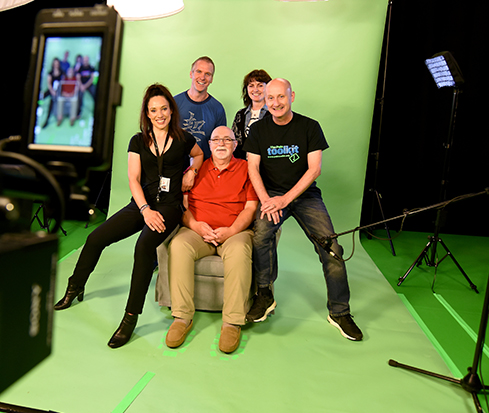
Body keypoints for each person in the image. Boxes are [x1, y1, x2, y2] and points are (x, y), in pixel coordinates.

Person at [54, 83, 204, 349]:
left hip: (169, 207)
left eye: (164, 109)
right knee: (96, 237)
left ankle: (130, 317)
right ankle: (74, 287)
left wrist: (192, 170)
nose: (159, 114)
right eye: (153, 110)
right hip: (141, 204)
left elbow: (199, 154)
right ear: (147, 113)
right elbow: (133, 179)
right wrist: (145, 210)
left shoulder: (183, 138)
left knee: (144, 245)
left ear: (171, 110)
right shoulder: (138, 140)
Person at [243, 78, 363, 341]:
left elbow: (314, 169)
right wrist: (266, 200)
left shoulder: (309, 127)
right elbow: (252, 168)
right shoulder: (259, 130)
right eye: (270, 98)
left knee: (332, 248)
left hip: (304, 195)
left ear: (292, 96)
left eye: (281, 97)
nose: (275, 103)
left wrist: (286, 200)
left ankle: (340, 311)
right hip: (271, 195)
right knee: (261, 235)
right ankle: (265, 295)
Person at [165, 126, 258, 354]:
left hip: (234, 231)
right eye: (216, 139)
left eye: (228, 139)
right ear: (209, 145)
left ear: (235, 145)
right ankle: (182, 317)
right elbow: (183, 208)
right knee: (178, 245)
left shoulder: (247, 169)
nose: (222, 143)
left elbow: (251, 207)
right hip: (199, 231)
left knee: (239, 252)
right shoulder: (195, 170)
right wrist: (196, 225)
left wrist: (232, 230)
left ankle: (232, 322)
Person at [174, 56, 227, 159]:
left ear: (211, 79)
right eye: (199, 71)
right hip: (176, 167)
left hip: (205, 169)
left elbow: (219, 144)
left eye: (207, 74)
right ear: (191, 74)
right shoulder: (174, 103)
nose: (202, 77)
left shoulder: (217, 108)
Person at [231, 69, 272, 160]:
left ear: (268, 88)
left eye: (260, 85)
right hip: (242, 166)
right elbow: (233, 143)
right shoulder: (240, 115)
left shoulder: (273, 114)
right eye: (251, 86)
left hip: (266, 167)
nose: (255, 90)